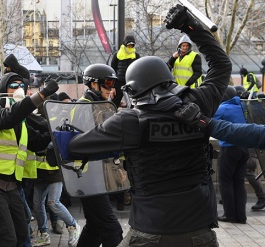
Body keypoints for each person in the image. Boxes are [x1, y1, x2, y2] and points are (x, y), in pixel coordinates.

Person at [68, 4, 231, 246]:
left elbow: (76, 147)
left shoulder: (127, 121)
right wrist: (191, 27)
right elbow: (221, 65)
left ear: (134, 89)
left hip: (150, 231)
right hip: (200, 231)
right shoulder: (200, 103)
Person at [0, 72, 58, 246]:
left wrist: (57, 131)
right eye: (13, 86)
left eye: (22, 86)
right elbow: (9, 117)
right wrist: (41, 95)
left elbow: (37, 142)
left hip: (12, 185)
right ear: (3, 90)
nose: (19, 89)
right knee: (7, 238)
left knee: (21, 232)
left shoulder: (21, 123)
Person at [71, 63, 123, 247]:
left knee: (94, 226)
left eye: (113, 84)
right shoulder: (85, 106)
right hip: (89, 176)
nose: (111, 88)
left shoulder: (97, 104)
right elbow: (96, 138)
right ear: (94, 84)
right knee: (112, 229)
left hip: (95, 174)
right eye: (108, 83)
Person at [213, 86, 249, 224]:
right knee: (239, 182)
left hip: (229, 148)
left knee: (225, 181)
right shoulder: (242, 105)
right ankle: (241, 216)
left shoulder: (223, 108)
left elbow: (208, 121)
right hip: (244, 148)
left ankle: (230, 215)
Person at [110, 35, 140, 107]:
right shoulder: (117, 55)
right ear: (124, 44)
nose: (130, 47)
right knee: (115, 102)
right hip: (119, 82)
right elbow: (112, 70)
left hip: (132, 82)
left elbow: (139, 69)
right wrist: (113, 86)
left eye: (131, 46)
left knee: (134, 103)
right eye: (128, 45)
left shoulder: (136, 56)